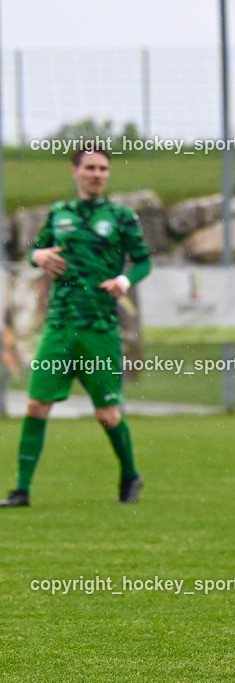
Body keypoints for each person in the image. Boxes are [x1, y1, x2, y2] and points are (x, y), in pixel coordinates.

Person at [1, 147, 152, 508]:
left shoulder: (120, 216)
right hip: (59, 326)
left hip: (99, 328)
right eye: (90, 168)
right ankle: (21, 490)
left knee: (106, 413)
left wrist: (125, 280)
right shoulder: (59, 214)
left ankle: (131, 475)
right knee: (37, 405)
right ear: (76, 172)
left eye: (103, 168)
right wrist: (38, 256)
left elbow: (144, 262)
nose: (97, 174)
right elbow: (35, 252)